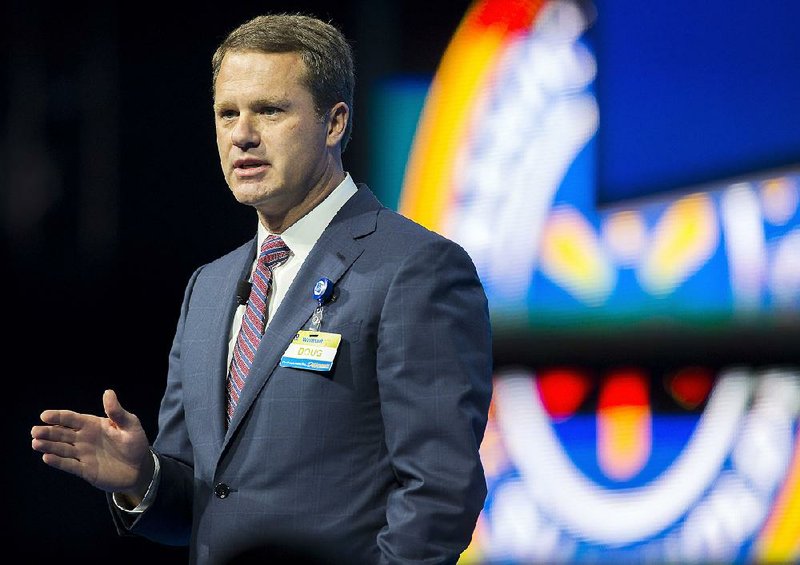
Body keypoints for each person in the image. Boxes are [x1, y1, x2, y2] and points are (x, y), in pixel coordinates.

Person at [30, 13, 493, 565]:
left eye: (269, 110)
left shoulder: (416, 269)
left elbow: (441, 492)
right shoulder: (208, 287)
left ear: (335, 122)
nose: (242, 135)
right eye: (227, 114)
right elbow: (204, 503)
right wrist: (142, 476)